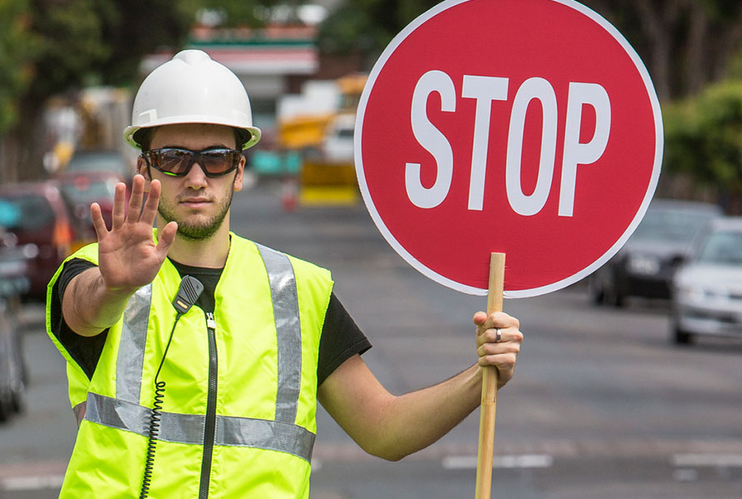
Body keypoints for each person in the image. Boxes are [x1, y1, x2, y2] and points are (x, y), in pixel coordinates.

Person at [46, 49, 522, 498]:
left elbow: (384, 429)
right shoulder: (97, 271)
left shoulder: (298, 290)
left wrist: (483, 376)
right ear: (144, 167)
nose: (195, 178)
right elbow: (85, 312)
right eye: (173, 158)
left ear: (238, 169)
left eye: (214, 158)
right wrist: (116, 286)